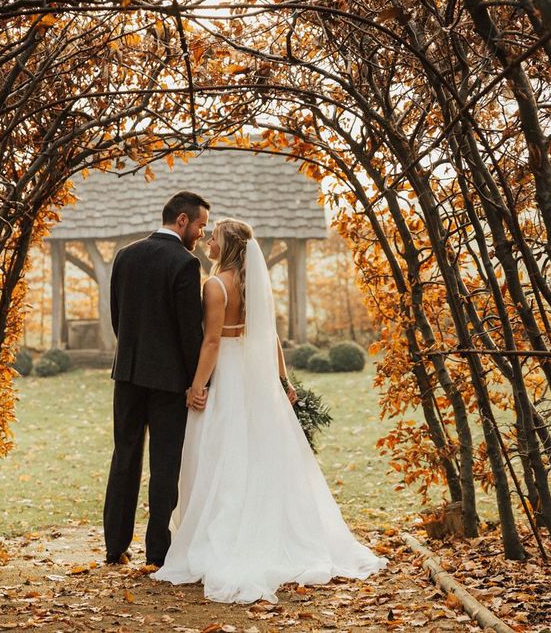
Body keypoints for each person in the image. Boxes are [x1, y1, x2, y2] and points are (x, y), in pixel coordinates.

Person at [151, 218, 386, 603]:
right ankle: (269, 529)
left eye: (215, 238)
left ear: (226, 247)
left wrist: (197, 386)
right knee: (260, 450)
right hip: (254, 371)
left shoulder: (214, 285)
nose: (208, 241)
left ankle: (225, 534)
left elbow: (211, 342)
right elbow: (269, 336)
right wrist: (283, 380)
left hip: (227, 370)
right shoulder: (252, 284)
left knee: (220, 449)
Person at [104, 190, 210, 567]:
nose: (201, 233)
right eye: (199, 225)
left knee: (125, 455)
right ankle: (158, 551)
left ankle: (115, 545)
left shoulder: (125, 255)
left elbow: (118, 318)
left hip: (128, 374)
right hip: (168, 382)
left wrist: (133, 355)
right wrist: (198, 380)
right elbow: (189, 333)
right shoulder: (184, 263)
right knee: (165, 463)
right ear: (181, 220)